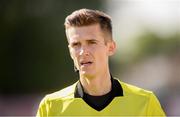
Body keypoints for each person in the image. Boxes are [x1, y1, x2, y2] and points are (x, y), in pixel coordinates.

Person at [36, 8, 165, 116]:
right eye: (76, 44)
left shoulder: (145, 102)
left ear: (110, 48)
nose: (83, 52)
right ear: (70, 51)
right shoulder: (51, 107)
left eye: (91, 42)